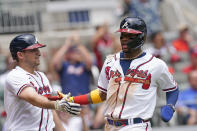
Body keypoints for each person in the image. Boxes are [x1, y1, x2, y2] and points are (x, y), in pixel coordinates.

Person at [59, 17, 179, 131]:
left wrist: (170, 106)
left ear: (141, 37)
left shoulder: (156, 64)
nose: (124, 39)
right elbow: (102, 94)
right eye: (123, 35)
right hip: (110, 125)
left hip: (136, 125)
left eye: (129, 36)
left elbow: (172, 89)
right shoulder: (111, 61)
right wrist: (72, 99)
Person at [4, 34, 81, 131]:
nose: (39, 53)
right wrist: (57, 104)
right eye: (33, 50)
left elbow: (49, 110)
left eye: (38, 49)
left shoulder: (42, 76)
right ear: (20, 55)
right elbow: (33, 98)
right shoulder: (15, 76)